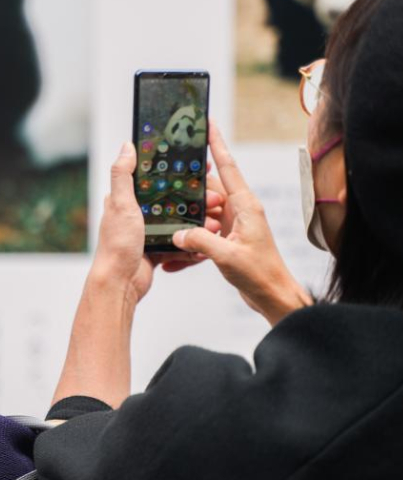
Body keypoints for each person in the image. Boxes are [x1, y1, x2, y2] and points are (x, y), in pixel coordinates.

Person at [34, 0, 403, 477]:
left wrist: (114, 283)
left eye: (319, 91)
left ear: (346, 181)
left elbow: (68, 459)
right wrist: (281, 297)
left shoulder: (220, 430)